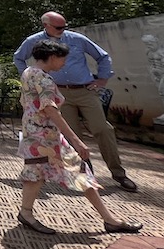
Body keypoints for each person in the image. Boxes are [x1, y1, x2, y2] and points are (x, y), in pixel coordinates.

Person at [17, 39, 141, 234]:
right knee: (42, 175)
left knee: (68, 172)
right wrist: (75, 139)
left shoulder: (28, 72)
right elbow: (51, 110)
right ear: (51, 57)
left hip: (37, 133)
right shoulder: (44, 79)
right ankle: (26, 213)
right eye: (62, 59)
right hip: (44, 136)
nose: (64, 63)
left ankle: (109, 220)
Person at [14, 11, 137, 192]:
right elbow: (18, 57)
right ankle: (87, 176)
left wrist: (102, 79)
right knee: (72, 135)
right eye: (58, 27)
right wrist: (33, 79)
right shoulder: (33, 41)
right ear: (45, 26)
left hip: (85, 90)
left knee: (102, 129)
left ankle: (119, 173)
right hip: (57, 91)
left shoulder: (77, 38)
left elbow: (102, 56)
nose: (63, 30)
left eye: (64, 26)